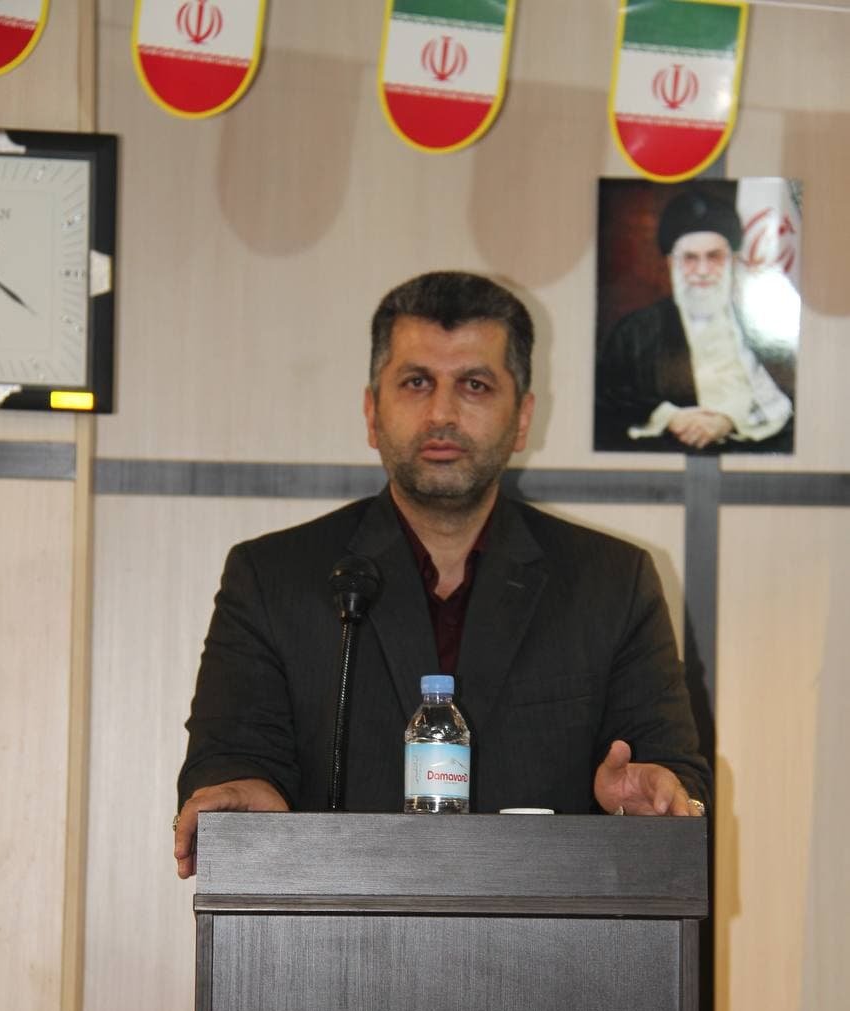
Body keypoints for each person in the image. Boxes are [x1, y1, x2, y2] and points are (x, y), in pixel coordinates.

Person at [174, 271, 711, 878]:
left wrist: (656, 799)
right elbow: (231, 756)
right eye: (416, 382)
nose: (442, 413)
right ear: (372, 412)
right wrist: (239, 792)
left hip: (545, 930)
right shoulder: (271, 579)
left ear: (523, 418)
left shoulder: (612, 584)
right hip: (335, 925)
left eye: (475, 385)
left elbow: (671, 773)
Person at [595, 187, 795, 451]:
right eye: (690, 258)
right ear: (671, 264)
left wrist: (730, 421)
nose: (702, 271)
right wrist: (669, 417)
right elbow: (607, 400)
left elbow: (787, 399)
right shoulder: (634, 332)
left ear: (732, 261)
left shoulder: (763, 326)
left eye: (714, 257)